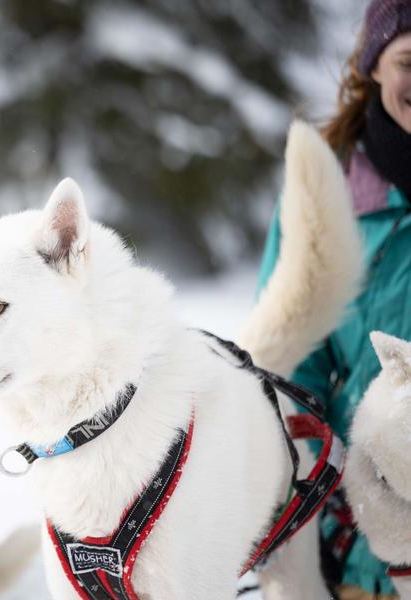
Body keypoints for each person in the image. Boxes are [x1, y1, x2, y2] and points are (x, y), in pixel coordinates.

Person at [257, 1, 411, 598]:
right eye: (407, 61)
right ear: (372, 66)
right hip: (347, 543)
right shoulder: (330, 185)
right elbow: (289, 357)